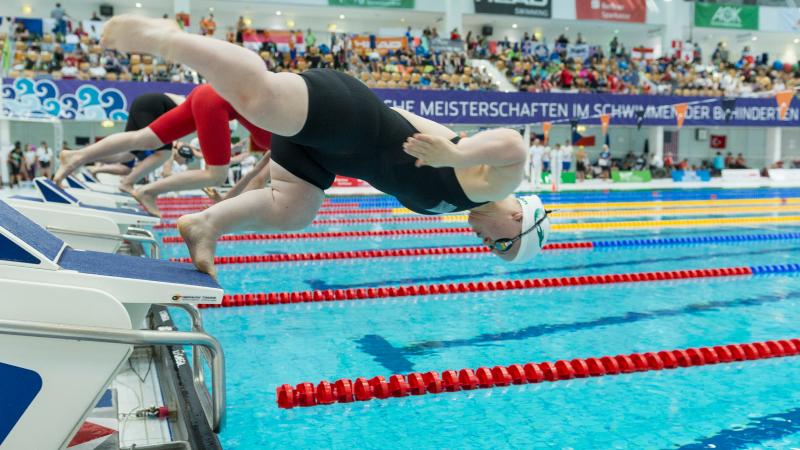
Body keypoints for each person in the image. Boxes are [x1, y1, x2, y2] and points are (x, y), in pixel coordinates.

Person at [98, 14, 553, 276]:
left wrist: (241, 188)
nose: (485, 244)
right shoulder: (493, 183)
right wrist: (455, 154)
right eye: (500, 245)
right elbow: (514, 144)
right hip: (350, 118)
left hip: (325, 156)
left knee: (293, 209)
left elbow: (408, 118)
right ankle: (169, 40)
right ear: (519, 219)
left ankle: (206, 226)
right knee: (260, 98)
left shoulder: (465, 201)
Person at [55, 84, 272, 217]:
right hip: (214, 102)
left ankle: (75, 156)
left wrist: (226, 198)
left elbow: (257, 173)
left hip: (204, 93)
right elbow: (257, 179)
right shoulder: (290, 142)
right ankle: (147, 191)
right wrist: (225, 199)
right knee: (215, 174)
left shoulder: (283, 129)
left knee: (145, 140)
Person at [56, 92, 184, 195]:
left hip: (146, 102)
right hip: (152, 106)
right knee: (164, 152)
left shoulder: (189, 102)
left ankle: (79, 157)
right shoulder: (197, 107)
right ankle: (127, 182)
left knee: (126, 155)